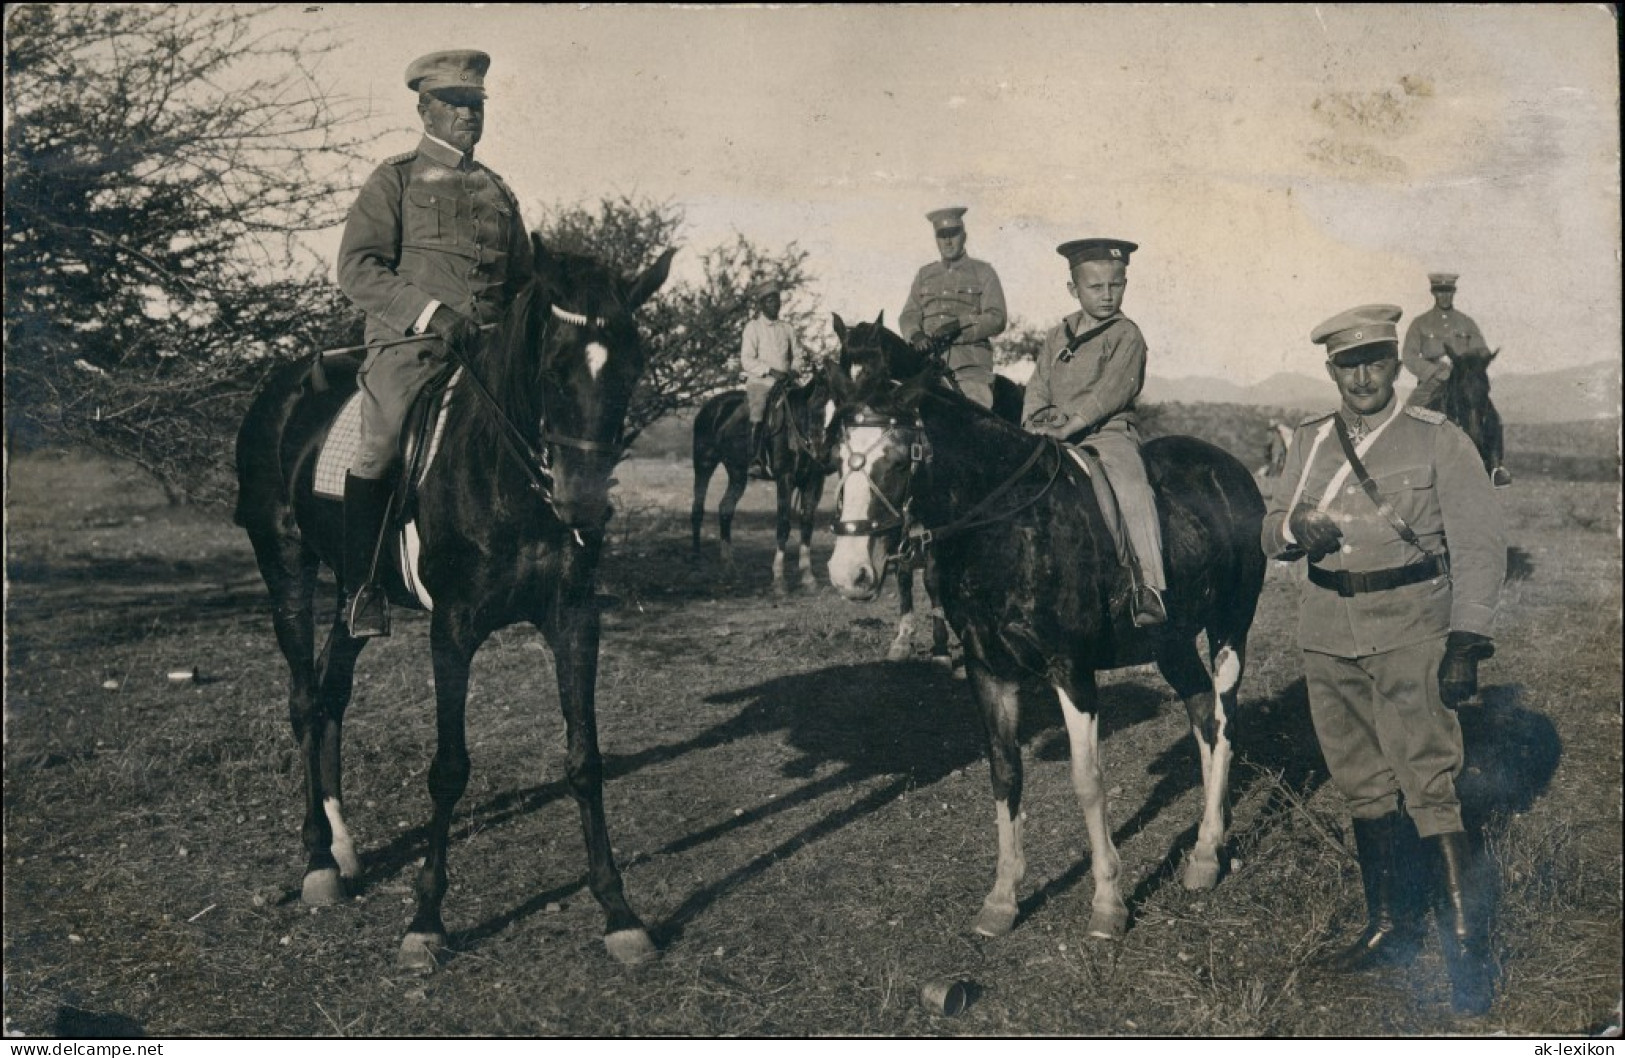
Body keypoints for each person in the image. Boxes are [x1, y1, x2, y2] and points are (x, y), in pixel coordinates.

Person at [1264, 304, 1507, 1017]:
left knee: (1428, 780)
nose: (1362, 376)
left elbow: (1477, 547)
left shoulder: (1438, 440)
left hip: (1412, 630)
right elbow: (1267, 529)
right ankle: (1389, 929)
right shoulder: (1310, 442)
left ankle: (1467, 952)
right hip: (1326, 631)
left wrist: (1464, 642)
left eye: (1375, 360)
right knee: (1362, 784)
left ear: (1395, 365)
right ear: (1330, 369)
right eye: (1348, 364)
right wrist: (1289, 525)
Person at [334, 49, 533, 638]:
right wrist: (432, 314)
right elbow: (357, 268)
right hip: (411, 348)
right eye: (455, 103)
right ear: (426, 110)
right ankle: (362, 587)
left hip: (489, 357)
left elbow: (521, 280)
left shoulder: (497, 191)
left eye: (475, 104)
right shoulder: (393, 178)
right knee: (383, 438)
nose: (468, 114)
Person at [1021, 238, 1166, 627]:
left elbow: (1113, 391)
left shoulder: (1125, 335)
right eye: (1095, 287)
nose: (1106, 295)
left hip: (1106, 435)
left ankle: (1147, 585)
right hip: (1052, 433)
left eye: (1115, 285)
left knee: (1132, 486)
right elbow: (1038, 383)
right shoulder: (1057, 335)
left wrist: (1071, 426)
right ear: (1074, 289)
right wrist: (1032, 421)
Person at [899, 207, 1008, 408]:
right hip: (926, 365)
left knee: (972, 417)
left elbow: (997, 318)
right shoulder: (924, 274)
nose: (948, 241)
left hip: (968, 367)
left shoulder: (983, 272)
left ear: (964, 236)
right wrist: (915, 335)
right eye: (942, 236)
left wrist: (959, 326)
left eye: (953, 234)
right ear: (936, 239)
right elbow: (909, 313)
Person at [738, 281, 801, 480]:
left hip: (786, 383)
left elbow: (798, 355)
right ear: (762, 304)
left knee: (806, 404)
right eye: (770, 301)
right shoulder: (753, 328)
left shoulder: (787, 329)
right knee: (759, 410)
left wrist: (794, 370)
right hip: (761, 381)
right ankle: (756, 459)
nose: (776, 304)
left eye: (777, 300)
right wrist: (770, 371)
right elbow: (747, 359)